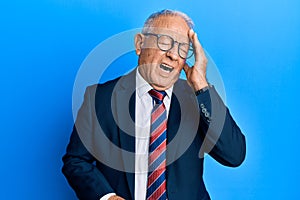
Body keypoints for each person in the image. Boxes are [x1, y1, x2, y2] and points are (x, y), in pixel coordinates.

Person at [62, 9, 246, 200]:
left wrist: (201, 85)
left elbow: (234, 155)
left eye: (183, 48)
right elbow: (76, 161)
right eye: (165, 42)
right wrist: (107, 197)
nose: (173, 55)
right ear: (140, 44)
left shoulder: (197, 99)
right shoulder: (99, 98)